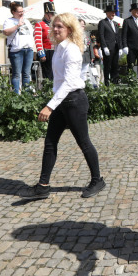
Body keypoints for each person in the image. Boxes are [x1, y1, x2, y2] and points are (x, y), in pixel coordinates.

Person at [18, 12, 106, 200]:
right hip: (61, 101)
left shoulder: (72, 50)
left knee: (83, 142)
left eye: (60, 26)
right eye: (54, 26)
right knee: (50, 142)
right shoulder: (58, 48)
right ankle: (43, 186)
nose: (56, 29)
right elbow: (58, 82)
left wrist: (49, 106)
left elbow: (68, 83)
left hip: (74, 101)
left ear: (69, 29)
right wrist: (53, 103)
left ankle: (97, 180)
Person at [3, 2, 35, 93]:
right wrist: (18, 25)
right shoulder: (8, 21)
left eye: (22, 11)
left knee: (27, 74)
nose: (22, 13)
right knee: (17, 74)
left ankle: (27, 96)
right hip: (17, 51)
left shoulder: (27, 21)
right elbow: (5, 32)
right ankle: (16, 96)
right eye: (19, 11)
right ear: (13, 12)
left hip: (28, 50)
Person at [97, 4, 121, 85]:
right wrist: (104, 47)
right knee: (107, 66)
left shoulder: (115, 23)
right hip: (108, 48)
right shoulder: (103, 22)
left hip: (115, 48)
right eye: (111, 12)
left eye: (114, 12)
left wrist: (120, 47)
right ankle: (107, 83)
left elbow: (118, 36)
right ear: (107, 13)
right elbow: (101, 35)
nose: (113, 14)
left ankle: (114, 82)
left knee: (115, 65)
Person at [34, 0, 56, 80]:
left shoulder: (54, 25)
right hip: (47, 52)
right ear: (46, 14)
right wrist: (41, 54)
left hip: (55, 51)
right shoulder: (39, 24)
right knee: (48, 75)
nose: (53, 15)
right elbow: (38, 40)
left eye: (53, 13)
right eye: (51, 14)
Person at [80, 19, 94, 85]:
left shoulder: (86, 34)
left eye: (84, 25)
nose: (83, 27)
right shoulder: (74, 35)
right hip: (78, 56)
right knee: (79, 73)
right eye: (81, 25)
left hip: (86, 56)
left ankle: (84, 86)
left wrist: (92, 56)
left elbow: (90, 45)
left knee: (85, 72)